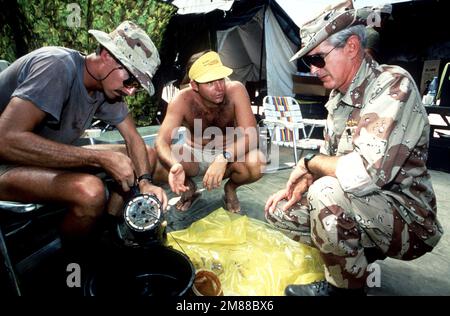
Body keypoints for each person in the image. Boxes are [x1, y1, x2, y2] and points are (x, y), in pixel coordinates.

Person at [264, 0, 443, 296]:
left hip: (409, 219)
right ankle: (352, 257)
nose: (313, 69)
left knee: (325, 194)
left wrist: (310, 163)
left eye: (318, 59)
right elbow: (330, 161)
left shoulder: (392, 84)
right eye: (307, 62)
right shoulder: (338, 99)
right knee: (281, 210)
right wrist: (306, 178)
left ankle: (344, 288)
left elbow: (362, 175)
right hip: (365, 205)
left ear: (351, 47)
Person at [0, 21, 168, 248]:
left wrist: (145, 183)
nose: (130, 90)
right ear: (107, 56)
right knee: (90, 192)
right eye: (129, 80)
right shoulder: (56, 66)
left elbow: (133, 139)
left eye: (136, 86)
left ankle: (107, 231)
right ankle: (74, 260)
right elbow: (6, 140)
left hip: (43, 157)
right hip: (6, 163)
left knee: (144, 156)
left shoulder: (107, 89)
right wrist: (97, 157)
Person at [154, 51, 265, 213]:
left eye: (220, 79)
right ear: (194, 85)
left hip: (229, 154)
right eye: (210, 83)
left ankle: (231, 189)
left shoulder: (235, 91)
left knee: (258, 162)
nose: (219, 87)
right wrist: (175, 166)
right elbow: (161, 141)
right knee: (155, 163)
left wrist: (224, 157)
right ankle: (189, 187)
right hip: (194, 156)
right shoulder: (182, 100)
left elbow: (251, 136)